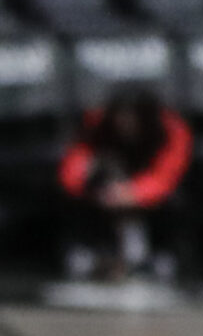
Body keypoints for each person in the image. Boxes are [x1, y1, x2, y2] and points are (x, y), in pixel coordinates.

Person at [58, 84, 192, 283]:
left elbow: (169, 173)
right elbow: (72, 169)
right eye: (121, 115)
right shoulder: (95, 123)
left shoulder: (170, 127)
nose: (126, 122)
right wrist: (97, 190)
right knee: (70, 200)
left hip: (149, 197)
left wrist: (134, 193)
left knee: (177, 202)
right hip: (104, 194)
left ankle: (163, 256)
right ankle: (87, 253)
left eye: (133, 116)